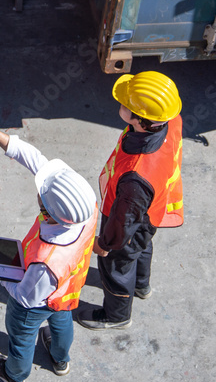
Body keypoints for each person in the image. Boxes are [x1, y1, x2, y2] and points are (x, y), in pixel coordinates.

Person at [0, 104, 97, 382]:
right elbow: (33, 158)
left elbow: (24, 296)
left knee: (22, 336)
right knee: (61, 320)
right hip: (67, 288)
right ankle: (60, 360)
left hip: (36, 300)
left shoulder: (47, 262)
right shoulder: (85, 206)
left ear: (46, 213)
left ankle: (15, 375)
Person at [76, 71, 184, 330]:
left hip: (131, 216)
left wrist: (106, 244)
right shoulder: (171, 120)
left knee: (116, 265)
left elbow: (124, 220)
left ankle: (117, 316)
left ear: (142, 121)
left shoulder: (136, 176)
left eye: (126, 105)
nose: (121, 106)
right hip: (152, 212)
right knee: (142, 246)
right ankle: (141, 285)